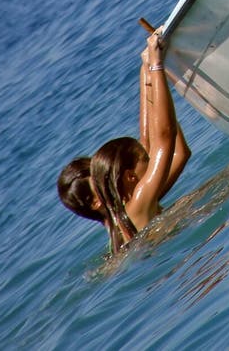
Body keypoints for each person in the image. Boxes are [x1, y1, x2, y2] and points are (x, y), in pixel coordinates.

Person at [57, 32, 190, 250]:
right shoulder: (137, 206)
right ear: (96, 202)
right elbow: (163, 141)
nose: (107, 172)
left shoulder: (128, 212)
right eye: (101, 176)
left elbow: (158, 147)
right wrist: (157, 66)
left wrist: (146, 71)